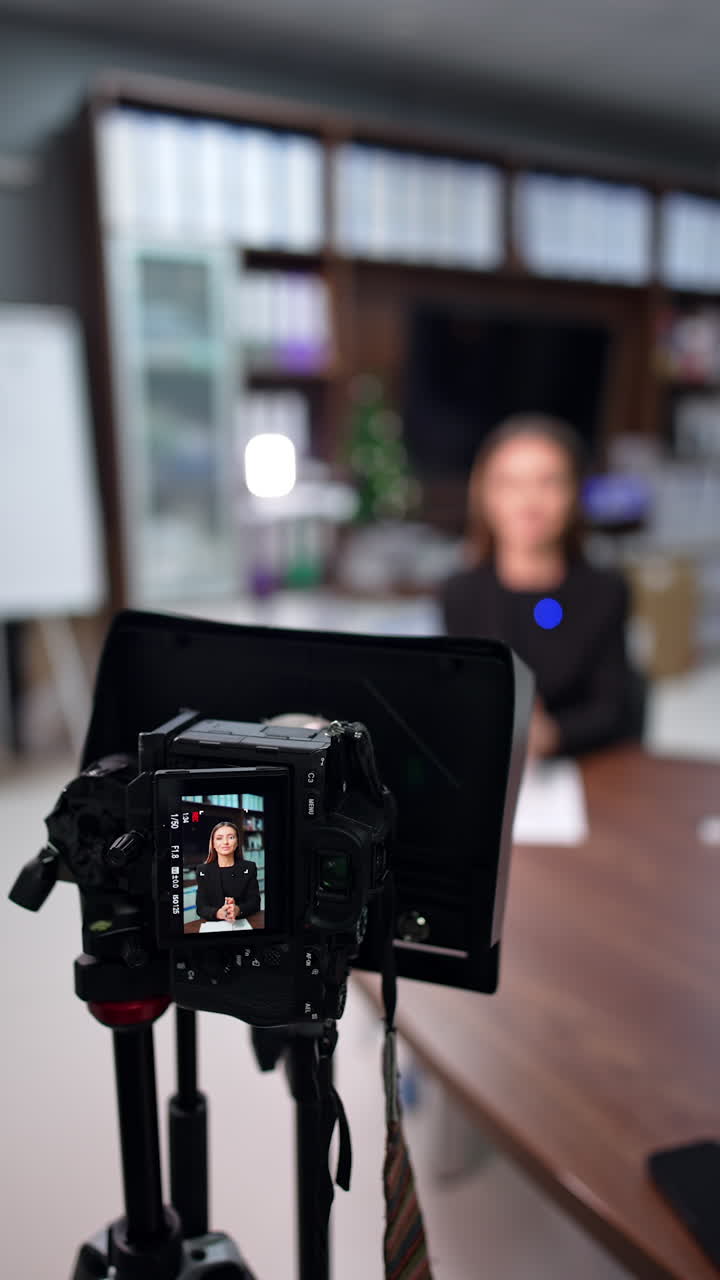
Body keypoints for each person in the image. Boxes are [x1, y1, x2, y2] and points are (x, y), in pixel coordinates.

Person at [440, 413, 636, 758]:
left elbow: (613, 711)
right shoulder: (458, 592)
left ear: (574, 493)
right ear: (484, 494)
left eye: (548, 482)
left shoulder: (606, 591)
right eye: (510, 484)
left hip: (579, 768)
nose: (529, 502)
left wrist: (553, 735)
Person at [195, 819, 261, 925]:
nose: (225, 842)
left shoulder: (249, 867)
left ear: (237, 843)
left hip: (242, 924)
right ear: (213, 844)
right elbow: (201, 907)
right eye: (219, 838)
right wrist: (218, 913)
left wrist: (238, 909)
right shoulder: (203, 870)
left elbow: (255, 902)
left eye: (231, 837)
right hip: (214, 926)